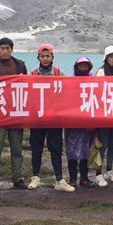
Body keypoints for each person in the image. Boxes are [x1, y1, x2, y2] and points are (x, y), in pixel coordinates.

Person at [0, 37, 28, 194]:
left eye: (8, 48)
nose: (5, 51)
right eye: (2, 48)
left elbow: (26, 87)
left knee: (17, 150)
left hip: (16, 113)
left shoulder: (20, 65)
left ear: (12, 50)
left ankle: (18, 179)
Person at [28, 45, 75, 192]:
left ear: (52, 57)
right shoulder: (32, 74)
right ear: (38, 58)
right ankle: (35, 177)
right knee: (36, 149)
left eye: (48, 56)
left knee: (56, 149)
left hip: (55, 118)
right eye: (42, 56)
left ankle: (59, 180)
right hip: (38, 118)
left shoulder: (59, 73)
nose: (45, 59)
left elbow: (68, 91)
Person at [94, 46, 113, 185]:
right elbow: (97, 90)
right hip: (104, 114)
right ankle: (98, 173)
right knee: (103, 143)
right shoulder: (100, 72)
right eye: (111, 56)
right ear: (106, 58)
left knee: (112, 143)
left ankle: (109, 170)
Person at [67, 57, 98, 187]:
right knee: (72, 152)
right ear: (76, 67)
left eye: (86, 66)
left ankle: (84, 178)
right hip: (72, 123)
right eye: (81, 66)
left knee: (85, 152)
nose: (83, 68)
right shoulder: (69, 81)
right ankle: (72, 179)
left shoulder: (94, 80)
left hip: (87, 123)